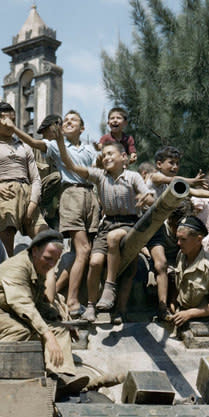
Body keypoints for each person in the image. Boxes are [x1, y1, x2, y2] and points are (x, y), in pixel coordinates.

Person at [0, 230, 89, 396]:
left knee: (59, 329)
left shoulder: (38, 269)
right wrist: (47, 335)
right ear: (35, 250)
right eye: (48, 258)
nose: (51, 265)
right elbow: (22, 303)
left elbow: (38, 303)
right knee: (20, 331)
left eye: (55, 260)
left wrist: (59, 319)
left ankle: (59, 376)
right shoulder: (18, 267)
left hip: (10, 315)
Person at [9, 110, 100, 317]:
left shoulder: (89, 149)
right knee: (83, 249)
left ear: (82, 128)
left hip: (90, 195)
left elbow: (97, 168)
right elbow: (33, 142)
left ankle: (57, 292)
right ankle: (73, 301)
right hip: (72, 194)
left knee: (82, 252)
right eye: (65, 120)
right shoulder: (54, 145)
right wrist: (14, 128)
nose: (67, 122)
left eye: (72, 120)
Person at [55, 133, 154, 321]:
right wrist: (61, 143)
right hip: (107, 224)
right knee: (94, 262)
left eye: (111, 154)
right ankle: (91, 305)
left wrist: (145, 198)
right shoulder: (100, 176)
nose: (107, 157)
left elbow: (149, 197)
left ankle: (109, 288)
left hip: (129, 223)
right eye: (104, 155)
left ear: (123, 158)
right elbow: (72, 166)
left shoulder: (132, 177)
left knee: (114, 238)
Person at [147, 146, 209, 320]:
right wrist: (191, 179)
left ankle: (176, 302)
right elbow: (177, 180)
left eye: (177, 163)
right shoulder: (154, 177)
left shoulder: (177, 183)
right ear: (159, 164)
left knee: (180, 266)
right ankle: (162, 306)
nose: (174, 166)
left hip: (170, 231)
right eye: (171, 163)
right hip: (154, 232)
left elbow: (196, 192)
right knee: (161, 264)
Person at [0, 102, 47, 256]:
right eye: (4, 119)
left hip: (27, 193)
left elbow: (35, 179)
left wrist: (32, 204)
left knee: (47, 241)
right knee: (6, 250)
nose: (9, 124)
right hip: (5, 195)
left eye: (12, 119)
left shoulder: (24, 147)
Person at [169, 215, 209, 329]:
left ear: (198, 239)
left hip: (204, 322)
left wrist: (190, 314)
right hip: (181, 315)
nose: (178, 243)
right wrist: (173, 303)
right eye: (178, 238)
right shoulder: (181, 255)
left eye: (183, 239)